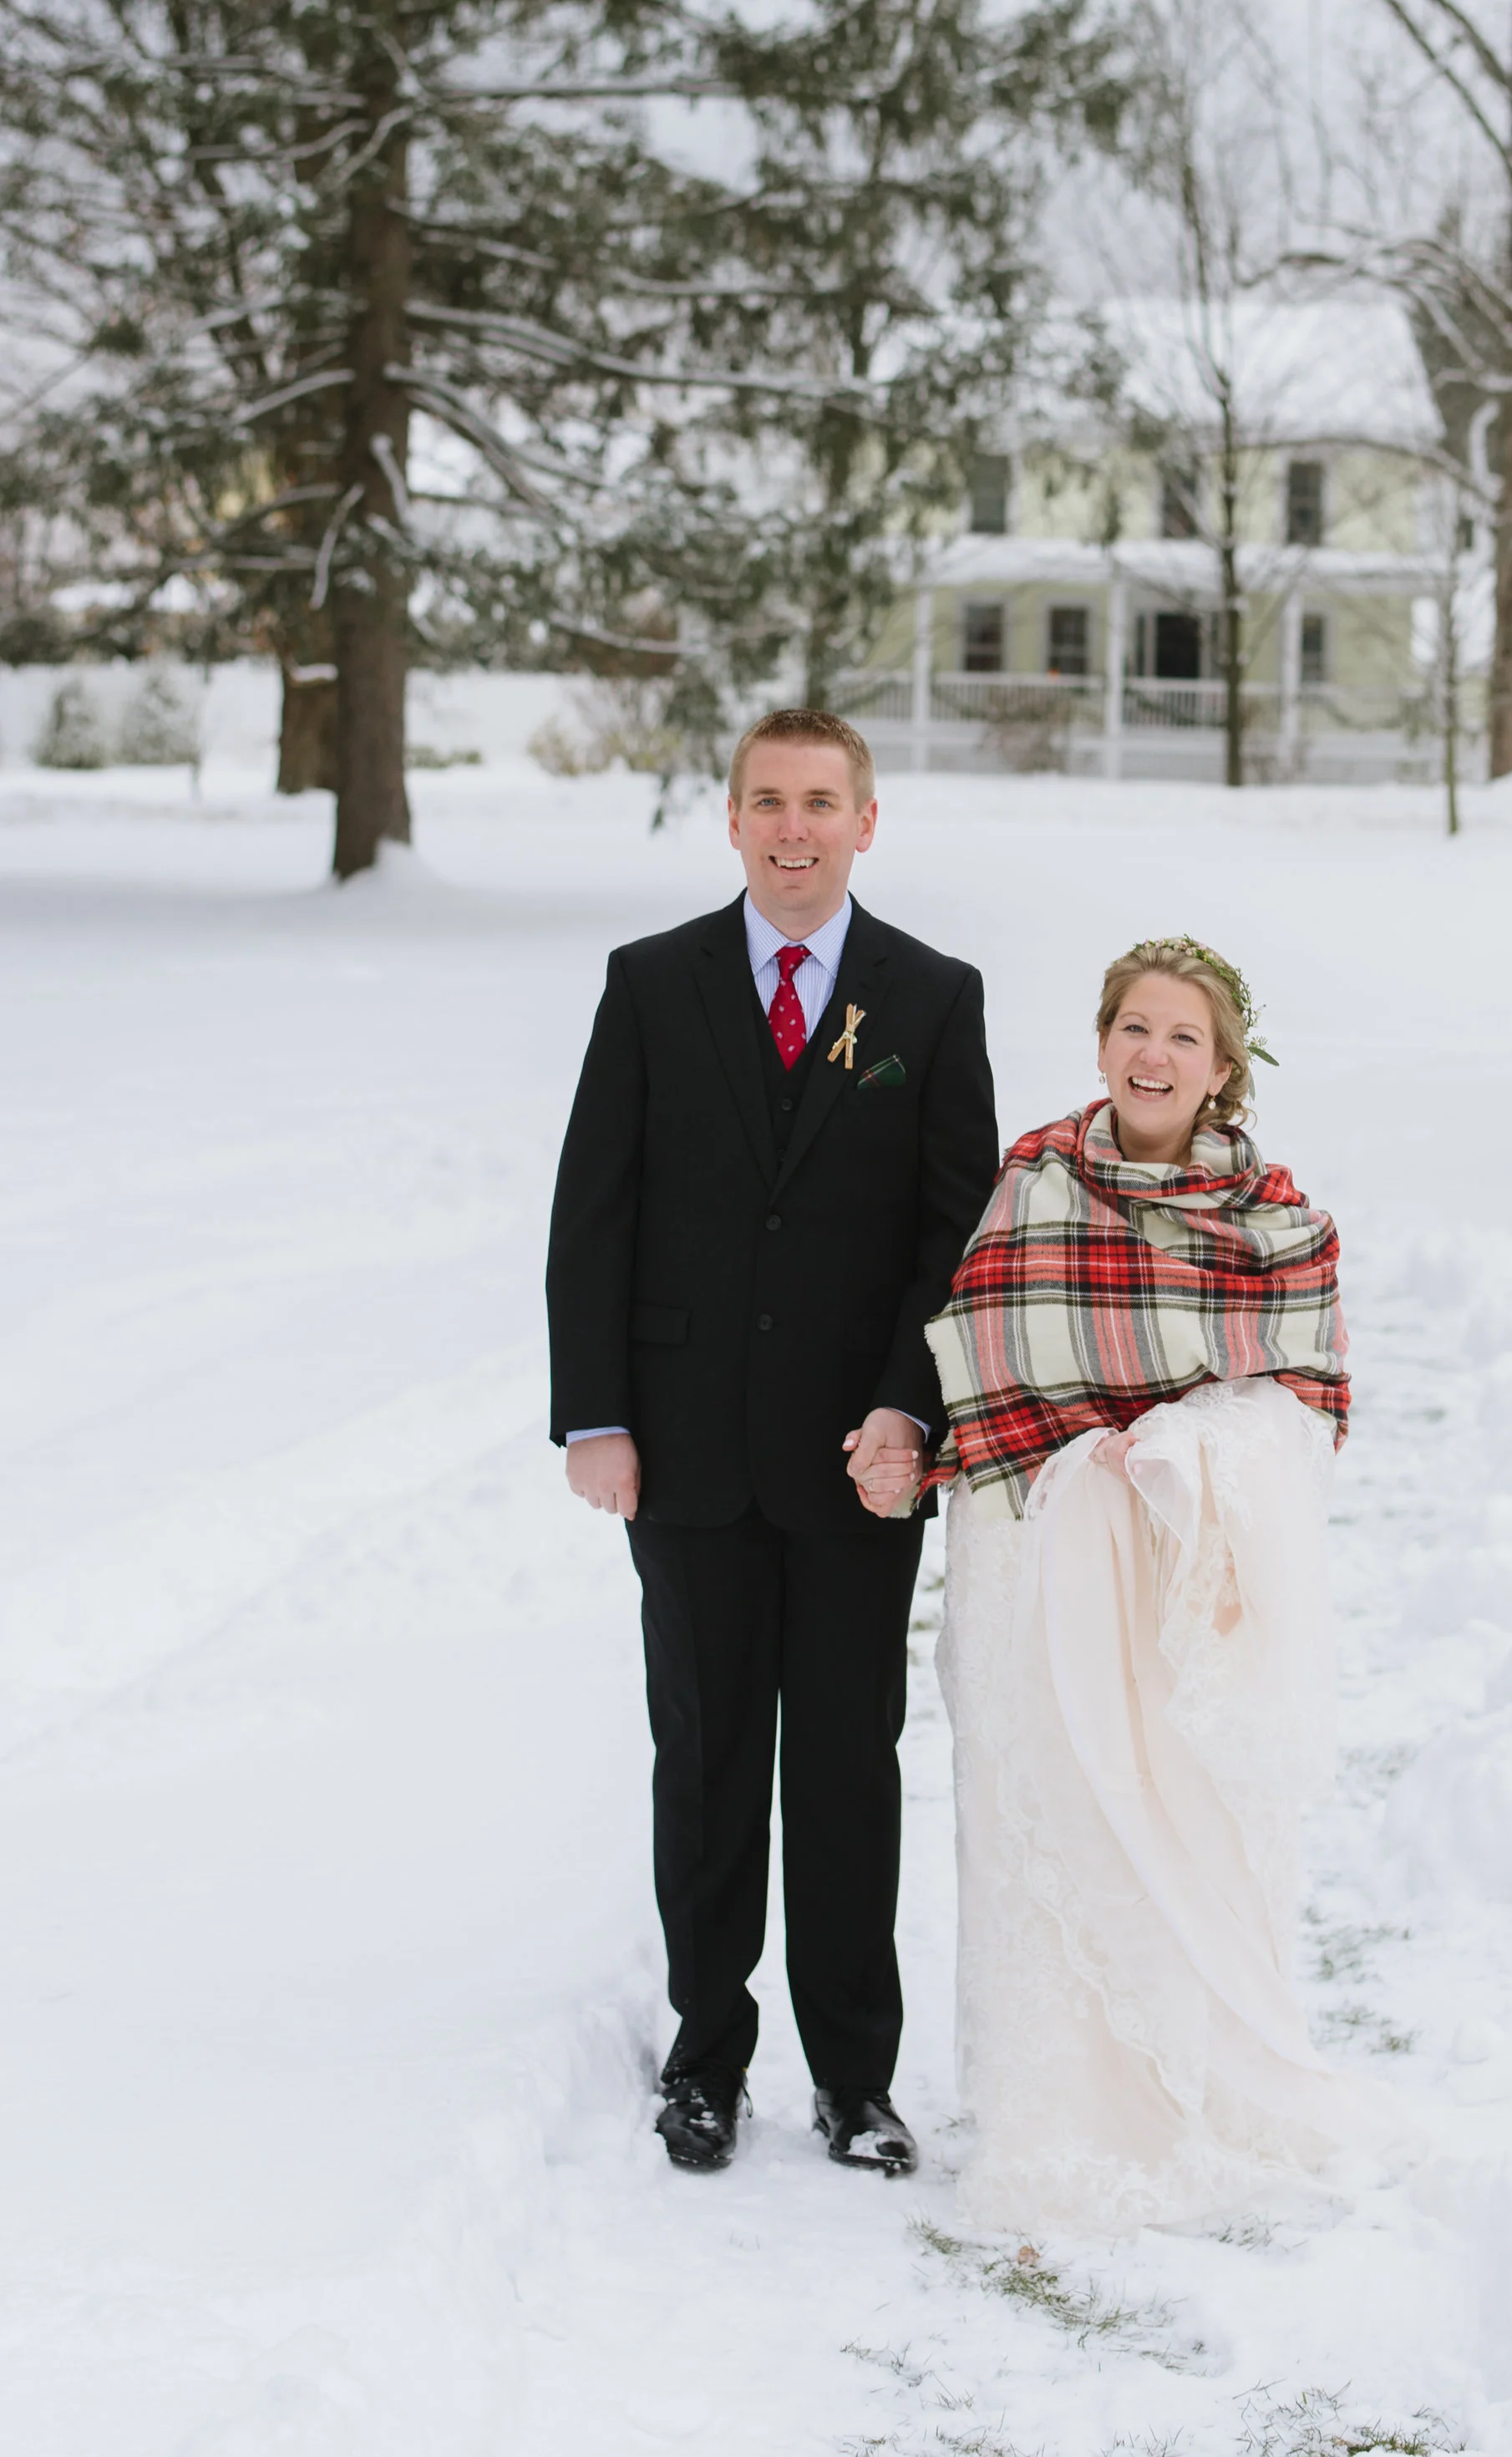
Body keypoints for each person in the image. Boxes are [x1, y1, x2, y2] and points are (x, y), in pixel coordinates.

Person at [547, 708, 997, 2178]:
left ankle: (857, 2077)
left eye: (821, 802)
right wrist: (600, 1418)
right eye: (766, 802)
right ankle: (705, 2058)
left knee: (850, 1771)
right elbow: (594, 1213)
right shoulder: (652, 984)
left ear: (868, 821)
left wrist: (907, 1407)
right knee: (711, 1757)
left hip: (861, 1459)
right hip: (683, 1454)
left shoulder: (930, 1000)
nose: (792, 828)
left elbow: (955, 1234)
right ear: (730, 819)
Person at [926, 937, 1352, 2234]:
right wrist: (1078, 1457)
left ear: (1224, 1070)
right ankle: (1055, 2111)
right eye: (1134, 1029)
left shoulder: (1277, 1221)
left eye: (1183, 1038)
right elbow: (992, 1357)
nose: (1153, 1055)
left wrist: (1174, 1449)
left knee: (1179, 1803)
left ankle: (1196, 2091)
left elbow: (1303, 1405)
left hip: (1183, 1564)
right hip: (1038, 1553)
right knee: (1046, 1813)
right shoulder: (1032, 1182)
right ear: (1101, 1041)